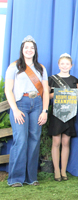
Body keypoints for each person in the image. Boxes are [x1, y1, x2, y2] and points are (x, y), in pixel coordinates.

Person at [5, 35, 50, 187]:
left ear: (35, 50)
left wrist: (45, 111)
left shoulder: (41, 68)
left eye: (32, 47)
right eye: (26, 47)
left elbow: (45, 90)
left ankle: (31, 178)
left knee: (34, 140)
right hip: (20, 104)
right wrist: (15, 109)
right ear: (22, 50)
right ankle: (16, 179)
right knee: (21, 140)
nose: (29, 50)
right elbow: (8, 90)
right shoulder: (14, 67)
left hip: (37, 104)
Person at [48, 53, 78, 181]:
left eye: (67, 64)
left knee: (66, 142)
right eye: (62, 64)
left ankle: (63, 170)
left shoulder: (74, 80)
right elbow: (47, 96)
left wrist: (71, 96)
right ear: (58, 65)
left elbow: (77, 98)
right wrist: (58, 93)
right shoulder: (52, 79)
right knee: (56, 142)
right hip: (56, 114)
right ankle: (56, 170)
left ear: (71, 66)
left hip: (69, 113)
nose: (65, 66)